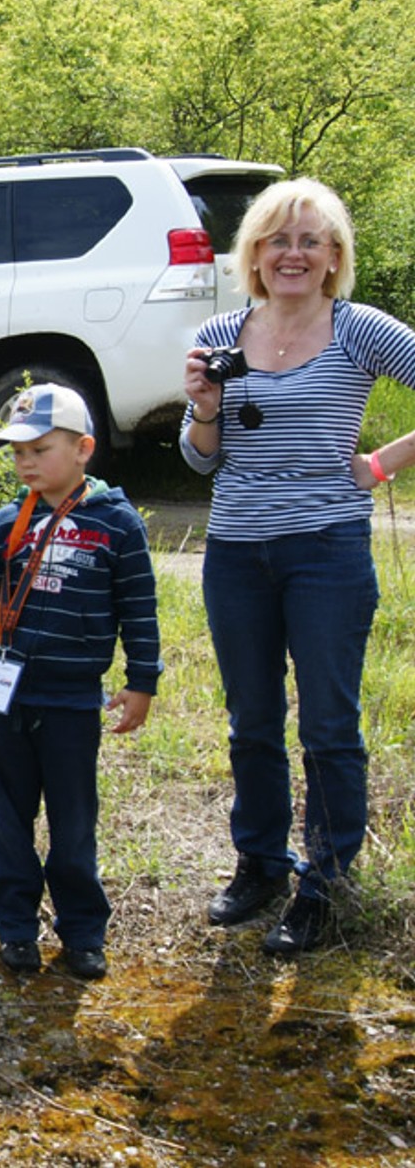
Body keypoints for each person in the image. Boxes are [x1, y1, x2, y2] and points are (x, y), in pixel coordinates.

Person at [181, 177, 415, 955]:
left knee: (327, 725)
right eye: (277, 240)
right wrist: (205, 409)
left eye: (310, 241)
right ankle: (261, 864)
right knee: (251, 719)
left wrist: (380, 463)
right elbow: (198, 459)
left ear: (334, 256)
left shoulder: (359, 329)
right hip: (236, 551)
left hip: (326, 549)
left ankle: (327, 883)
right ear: (253, 254)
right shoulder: (222, 331)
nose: (293, 254)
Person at [0, 384, 161, 980]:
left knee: (73, 823)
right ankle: (15, 927)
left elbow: (138, 609)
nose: (26, 463)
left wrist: (142, 680)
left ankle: (83, 931)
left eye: (40, 450)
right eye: (18, 452)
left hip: (71, 703)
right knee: (7, 820)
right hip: (4, 701)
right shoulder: (6, 525)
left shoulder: (117, 524)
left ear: (83, 448)